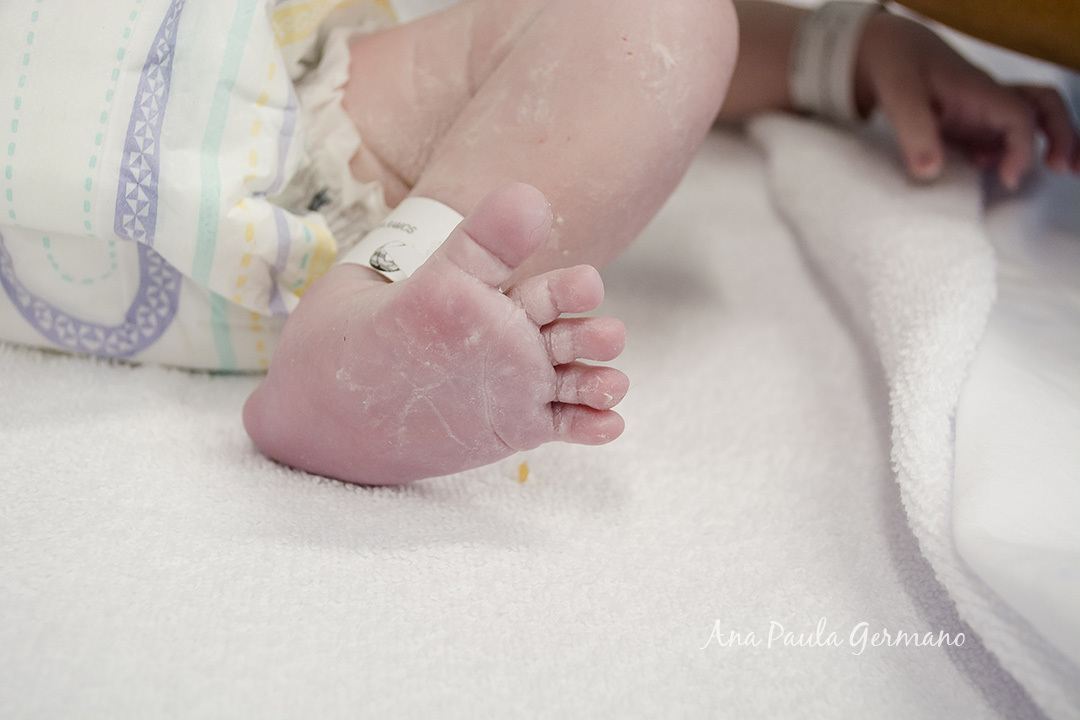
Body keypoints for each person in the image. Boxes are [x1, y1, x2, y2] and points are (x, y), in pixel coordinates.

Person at [2, 1, 1078, 484]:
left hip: (203, 109)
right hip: (274, 112)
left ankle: (383, 294)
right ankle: (384, 291)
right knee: (662, 20)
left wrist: (840, 45)